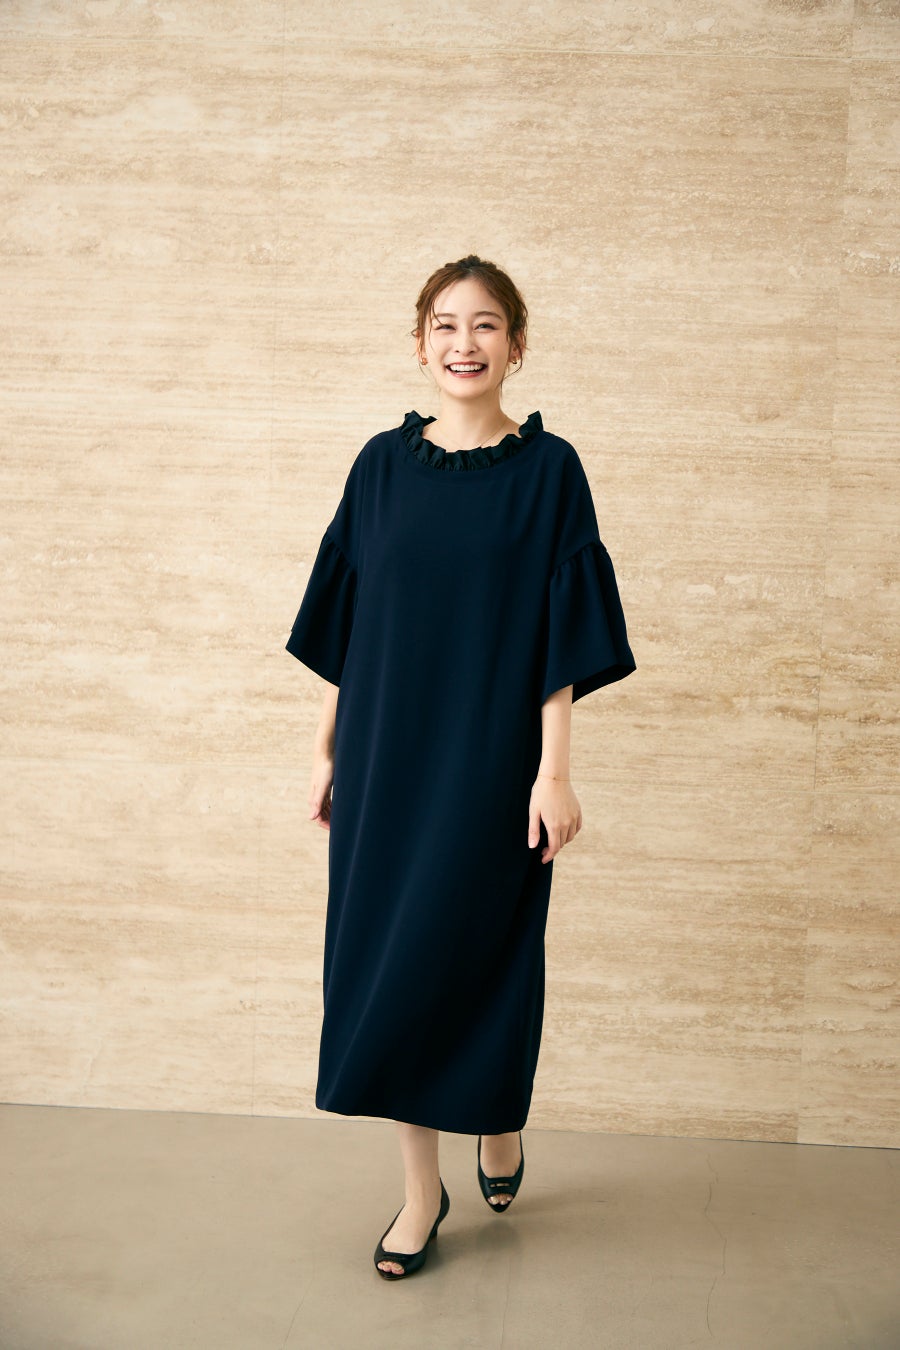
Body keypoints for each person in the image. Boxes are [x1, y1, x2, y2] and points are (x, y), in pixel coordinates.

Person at [284, 254, 636, 1279]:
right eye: (444, 324)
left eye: (485, 325)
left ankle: (497, 1118)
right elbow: (350, 618)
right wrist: (325, 748)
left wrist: (554, 771)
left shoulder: (550, 471)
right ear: (419, 344)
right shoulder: (379, 467)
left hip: (491, 760)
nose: (463, 343)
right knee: (393, 964)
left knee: (482, 953)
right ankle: (420, 1193)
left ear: (516, 346)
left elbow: (560, 633)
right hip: (387, 758)